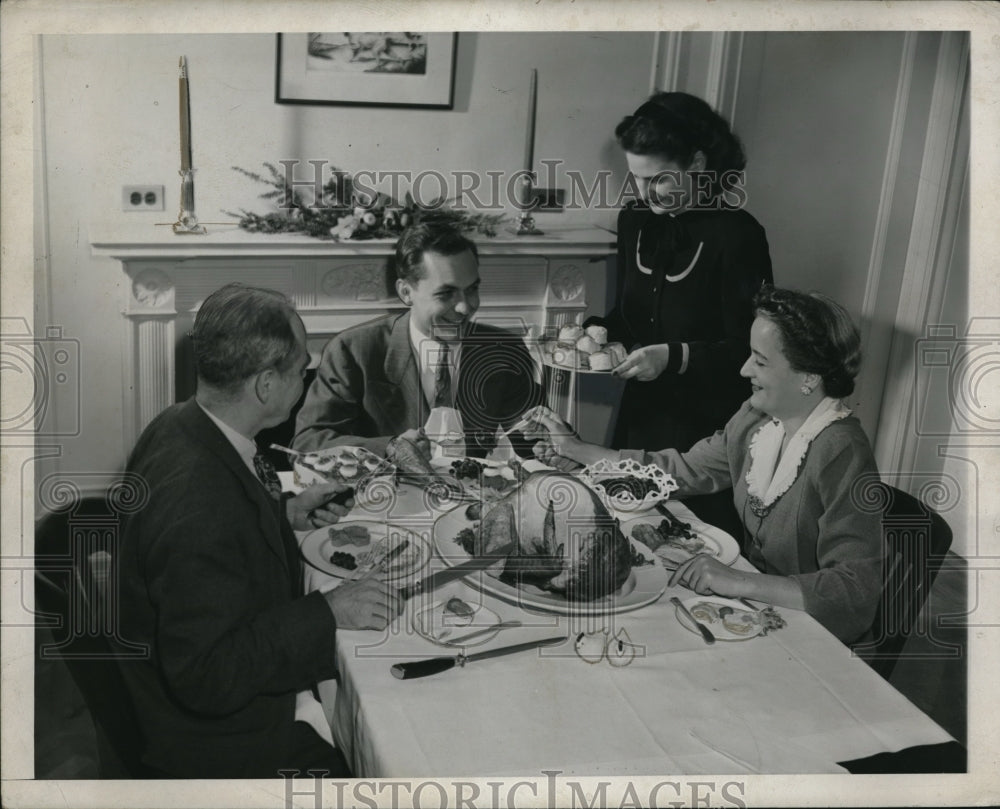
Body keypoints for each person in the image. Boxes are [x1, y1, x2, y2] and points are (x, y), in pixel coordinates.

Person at [115, 283, 403, 778]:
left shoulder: (181, 423)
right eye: (301, 369)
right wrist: (330, 610)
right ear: (266, 384)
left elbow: (218, 536)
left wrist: (283, 514)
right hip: (217, 740)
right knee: (390, 746)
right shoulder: (199, 503)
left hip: (188, 694)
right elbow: (207, 676)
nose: (307, 378)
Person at [529, 287, 884, 644]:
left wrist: (739, 581)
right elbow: (681, 470)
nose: (744, 369)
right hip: (757, 612)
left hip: (813, 636)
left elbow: (855, 593)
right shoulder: (756, 419)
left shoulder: (841, 450)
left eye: (760, 362)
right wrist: (578, 450)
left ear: (809, 377)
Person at [587, 91, 774, 535]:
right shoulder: (634, 221)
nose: (644, 192)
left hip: (707, 432)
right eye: (636, 178)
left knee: (696, 545)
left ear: (697, 164)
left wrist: (673, 357)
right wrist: (594, 332)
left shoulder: (739, 236)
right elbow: (628, 316)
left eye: (658, 179)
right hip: (642, 418)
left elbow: (750, 352)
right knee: (628, 532)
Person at [293, 223, 544, 458]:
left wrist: (552, 444)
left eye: (472, 289)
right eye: (445, 294)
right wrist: (390, 447)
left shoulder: (504, 349)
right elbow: (309, 443)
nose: (465, 307)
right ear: (406, 292)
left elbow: (533, 440)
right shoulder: (352, 351)